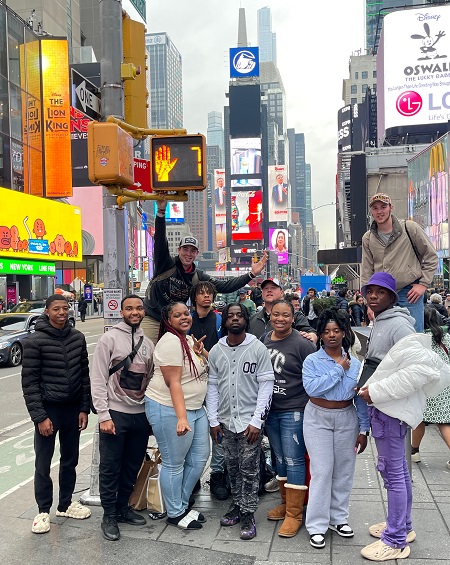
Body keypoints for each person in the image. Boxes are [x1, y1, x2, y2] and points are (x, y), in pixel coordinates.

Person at [357, 272, 450, 561]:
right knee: (397, 471)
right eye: (370, 291)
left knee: (394, 473)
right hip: (386, 409)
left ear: (392, 297)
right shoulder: (382, 321)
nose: (373, 296)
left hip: (390, 410)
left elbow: (423, 369)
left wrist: (377, 391)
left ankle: (395, 539)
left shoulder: (397, 325)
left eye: (380, 292)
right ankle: (402, 526)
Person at [142, 199, 268, 343]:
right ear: (178, 250)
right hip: (152, 317)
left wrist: (251, 274)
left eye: (192, 251)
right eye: (185, 249)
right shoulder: (166, 264)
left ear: (197, 254)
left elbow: (225, 286)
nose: (188, 254)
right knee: (146, 356)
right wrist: (161, 212)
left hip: (175, 322)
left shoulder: (197, 276)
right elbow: (159, 240)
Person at [21, 295, 91, 534]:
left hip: (72, 409)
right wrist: (40, 417)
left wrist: (84, 408)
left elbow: (84, 375)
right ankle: (43, 510)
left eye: (65, 308)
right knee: (43, 462)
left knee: (70, 460)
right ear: (47, 312)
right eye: (56, 309)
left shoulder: (77, 338)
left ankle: (65, 503)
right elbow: (29, 383)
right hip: (48, 410)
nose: (62, 312)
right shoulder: (35, 341)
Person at [206, 302, 274, 540]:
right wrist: (213, 420)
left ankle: (248, 512)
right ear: (224, 321)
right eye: (230, 316)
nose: (235, 319)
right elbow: (212, 387)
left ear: (246, 319)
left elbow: (266, 386)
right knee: (231, 467)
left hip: (249, 423)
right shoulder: (216, 350)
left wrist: (257, 421)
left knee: (250, 469)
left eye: (239, 315)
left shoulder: (257, 349)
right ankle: (237, 504)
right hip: (225, 422)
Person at [302, 309, 369, 550]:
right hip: (317, 417)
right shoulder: (312, 361)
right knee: (321, 470)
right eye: (327, 331)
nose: (332, 335)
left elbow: (360, 399)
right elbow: (312, 389)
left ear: (344, 333)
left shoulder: (357, 365)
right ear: (320, 335)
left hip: (346, 418)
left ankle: (338, 518)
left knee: (344, 470)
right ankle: (317, 525)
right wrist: (339, 368)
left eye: (337, 331)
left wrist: (364, 429)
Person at [91, 295, 154, 541]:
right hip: (115, 414)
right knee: (110, 466)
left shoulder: (148, 343)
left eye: (138, 308)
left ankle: (123, 508)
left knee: (132, 464)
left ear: (144, 311)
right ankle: (108, 514)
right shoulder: (109, 339)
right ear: (121, 311)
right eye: (129, 308)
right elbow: (97, 378)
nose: (135, 312)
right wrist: (103, 414)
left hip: (139, 415)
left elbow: (150, 379)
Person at [145, 302, 210, 530]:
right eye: (177, 315)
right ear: (168, 320)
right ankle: (174, 512)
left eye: (186, 313)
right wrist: (181, 418)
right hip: (168, 408)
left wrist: (202, 352)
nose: (184, 317)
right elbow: (174, 383)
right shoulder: (171, 342)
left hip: (195, 407)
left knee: (200, 457)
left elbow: (207, 368)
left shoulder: (189, 340)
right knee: (174, 463)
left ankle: (181, 504)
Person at [262, 299, 316, 537]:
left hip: (294, 409)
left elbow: (314, 375)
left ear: (293, 318)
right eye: (276, 314)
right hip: (270, 410)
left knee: (294, 459)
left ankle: (295, 513)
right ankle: (286, 503)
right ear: (270, 315)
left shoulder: (302, 344)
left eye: (285, 315)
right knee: (280, 458)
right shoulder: (265, 340)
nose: (280, 319)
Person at [361, 192, 438, 333]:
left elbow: (431, 256)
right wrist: (369, 303)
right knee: (385, 337)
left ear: (391, 207)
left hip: (409, 293)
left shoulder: (410, 228)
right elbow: (367, 270)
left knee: (413, 337)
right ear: (371, 212)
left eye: (383, 207)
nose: (379, 211)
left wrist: (423, 284)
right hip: (381, 294)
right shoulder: (368, 238)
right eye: (375, 208)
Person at [188, 281, 228, 500]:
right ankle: (192, 475)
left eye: (209, 294)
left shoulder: (220, 320)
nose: (206, 297)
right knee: (192, 430)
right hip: (191, 383)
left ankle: (217, 474)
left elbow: (225, 354)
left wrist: (204, 354)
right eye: (202, 293)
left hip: (216, 381)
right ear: (194, 297)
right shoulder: (186, 320)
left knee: (218, 429)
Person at [411, 307, 450, 469]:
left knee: (418, 419)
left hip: (424, 384)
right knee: (444, 422)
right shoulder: (446, 337)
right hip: (444, 383)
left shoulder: (419, 338)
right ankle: (415, 451)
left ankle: (414, 451)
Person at [249, 278, 317, 343]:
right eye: (266, 288)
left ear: (281, 293)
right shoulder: (253, 319)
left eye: (273, 288)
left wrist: (312, 336)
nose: (269, 290)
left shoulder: (295, 315)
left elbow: (310, 332)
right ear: (262, 294)